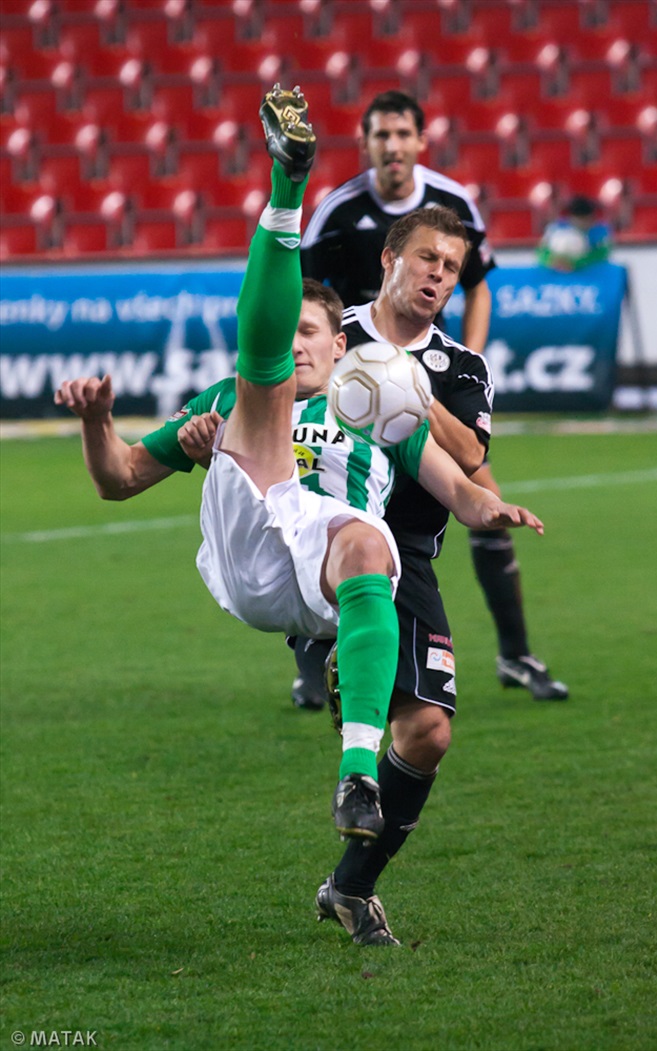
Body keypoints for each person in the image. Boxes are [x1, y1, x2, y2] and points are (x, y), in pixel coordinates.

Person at [56, 84, 544, 947]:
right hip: (259, 538)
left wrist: (486, 501)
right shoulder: (261, 386)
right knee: (266, 395)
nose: (439, 275)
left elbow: (463, 474)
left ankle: (352, 860)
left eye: (451, 267)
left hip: (364, 564)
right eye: (425, 259)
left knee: (425, 727)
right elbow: (122, 475)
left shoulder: (398, 387)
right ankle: (287, 182)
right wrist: (113, 421)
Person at [298, 89, 568, 705]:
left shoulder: (453, 205)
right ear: (365, 144)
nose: (392, 146)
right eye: (381, 136)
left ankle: (516, 652)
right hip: (350, 377)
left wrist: (455, 363)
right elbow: (302, 293)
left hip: (418, 376)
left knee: (482, 496)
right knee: (323, 498)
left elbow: (479, 288)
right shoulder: (338, 211)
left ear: (420, 141)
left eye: (402, 135)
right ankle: (313, 653)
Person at [537, 194, 613, 272]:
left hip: (590, 274)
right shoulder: (556, 229)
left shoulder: (600, 230)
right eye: (579, 220)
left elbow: (603, 253)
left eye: (586, 220)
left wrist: (576, 263)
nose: (583, 224)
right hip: (558, 275)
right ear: (571, 218)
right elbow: (541, 252)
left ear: (593, 218)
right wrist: (552, 261)